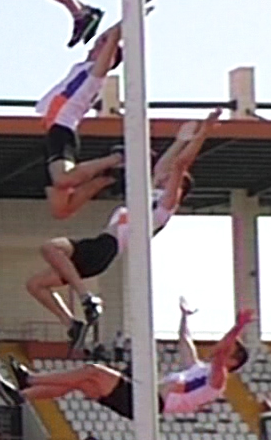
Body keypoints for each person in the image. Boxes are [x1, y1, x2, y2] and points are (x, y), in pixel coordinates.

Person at [25, 110, 216, 349]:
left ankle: (87, 298)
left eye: (170, 180)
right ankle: (73, 325)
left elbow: (179, 166)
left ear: (178, 189)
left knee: (50, 248)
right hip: (100, 247)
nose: (163, 177)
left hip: (107, 248)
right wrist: (180, 140)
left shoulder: (163, 208)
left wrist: (203, 134)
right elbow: (164, 167)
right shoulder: (150, 195)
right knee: (35, 285)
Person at [0, 305, 253, 419]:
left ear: (233, 361)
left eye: (227, 349)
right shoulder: (199, 370)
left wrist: (237, 327)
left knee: (93, 370)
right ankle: (22, 396)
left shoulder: (217, 380)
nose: (217, 347)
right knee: (82, 382)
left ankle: (30, 379)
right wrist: (185, 317)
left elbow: (220, 354)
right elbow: (185, 341)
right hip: (142, 403)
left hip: (149, 403)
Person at [38, 23, 130, 219]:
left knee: (63, 180)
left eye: (100, 48)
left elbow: (110, 41)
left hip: (62, 128)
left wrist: (119, 32)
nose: (92, 47)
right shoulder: (82, 67)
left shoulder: (95, 76)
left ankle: (119, 158)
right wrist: (125, 18)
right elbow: (106, 37)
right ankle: (106, 178)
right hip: (49, 133)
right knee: (60, 210)